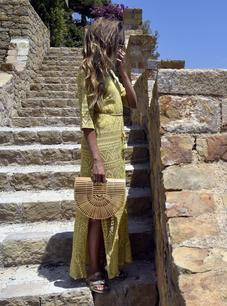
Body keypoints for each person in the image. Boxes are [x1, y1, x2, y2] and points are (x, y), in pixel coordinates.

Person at [69, 17, 137, 294]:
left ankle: (110, 262)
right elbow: (86, 118)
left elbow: (133, 103)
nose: (121, 46)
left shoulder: (110, 72)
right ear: (106, 39)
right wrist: (96, 158)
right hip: (98, 148)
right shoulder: (87, 69)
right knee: (96, 209)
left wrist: (123, 71)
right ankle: (93, 268)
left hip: (115, 148)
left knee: (111, 206)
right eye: (118, 41)